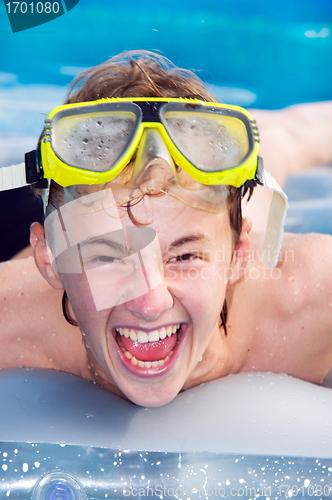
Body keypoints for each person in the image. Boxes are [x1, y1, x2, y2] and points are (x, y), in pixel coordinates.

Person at [1, 51, 332, 408]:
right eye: (109, 257)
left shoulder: (313, 300)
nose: (150, 305)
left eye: (185, 256)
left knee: (278, 145)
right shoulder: (11, 321)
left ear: (239, 255)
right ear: (48, 259)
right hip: (17, 218)